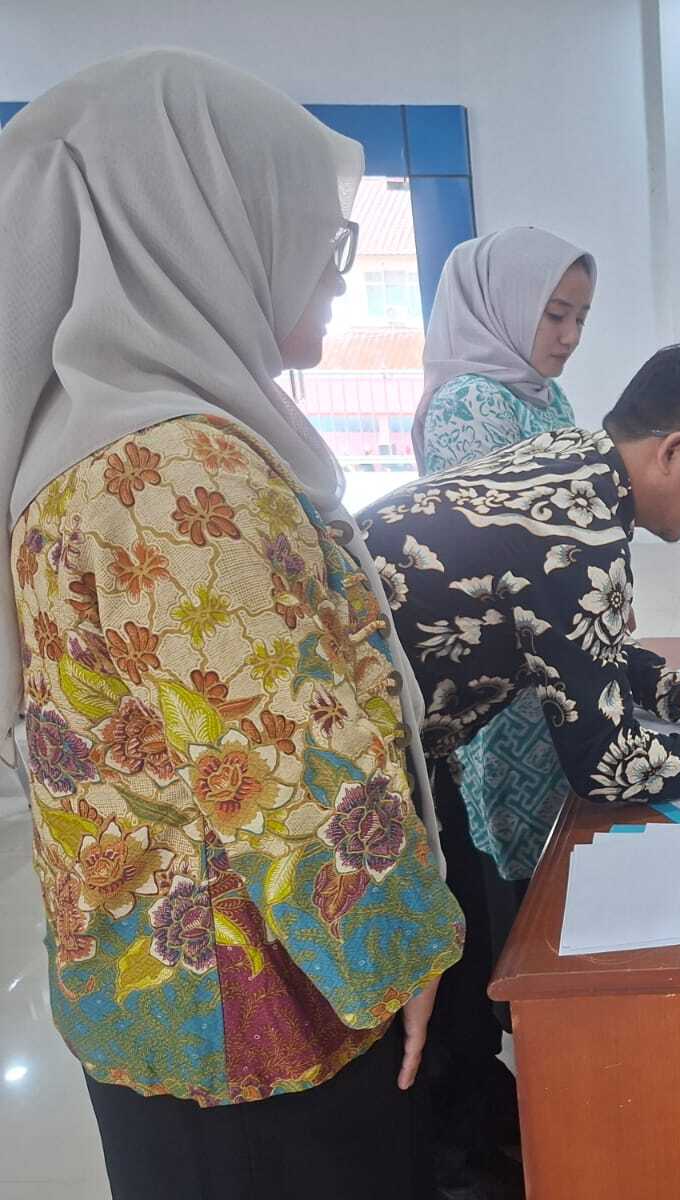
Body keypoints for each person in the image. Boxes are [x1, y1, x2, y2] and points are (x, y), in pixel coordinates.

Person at [0, 50, 463, 1200]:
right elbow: (275, 759)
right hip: (258, 1019)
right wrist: (402, 950)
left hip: (163, 995)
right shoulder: (170, 471)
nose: (332, 274)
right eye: (315, 233)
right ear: (197, 226)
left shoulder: (98, 437)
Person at [361, 347, 680, 813]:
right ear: (673, 451)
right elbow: (605, 761)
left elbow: (579, 646)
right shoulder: (580, 536)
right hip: (354, 742)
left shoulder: (569, 457)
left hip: (370, 709)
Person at [408, 226, 595, 1198]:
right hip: (493, 687)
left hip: (547, 673)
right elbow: (519, 544)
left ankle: (541, 1081)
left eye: (579, 317)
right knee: (499, 882)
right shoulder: (467, 405)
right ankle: (509, 1102)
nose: (567, 336)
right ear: (503, 305)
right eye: (553, 314)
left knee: (545, 867)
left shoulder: (541, 395)